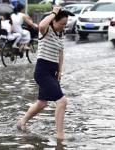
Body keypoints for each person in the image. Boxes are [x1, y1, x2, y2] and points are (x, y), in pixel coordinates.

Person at [16, 6, 74, 140]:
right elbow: (41, 25)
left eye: (65, 24)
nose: (63, 27)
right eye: (61, 24)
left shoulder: (61, 33)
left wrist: (60, 70)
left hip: (52, 72)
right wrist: (54, 12)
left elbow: (60, 52)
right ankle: (60, 136)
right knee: (62, 102)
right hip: (42, 71)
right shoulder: (46, 30)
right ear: (54, 20)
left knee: (42, 103)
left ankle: (21, 122)